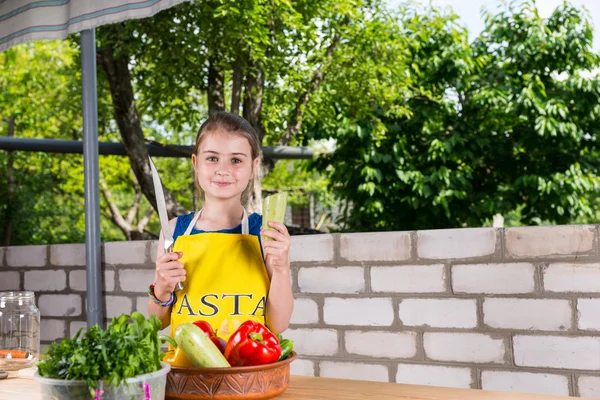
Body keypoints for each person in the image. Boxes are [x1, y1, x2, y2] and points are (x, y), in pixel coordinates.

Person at [147, 112, 293, 340]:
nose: (223, 169)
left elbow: (279, 323)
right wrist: (163, 287)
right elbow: (156, 322)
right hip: (187, 372)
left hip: (247, 369)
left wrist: (282, 267)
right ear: (195, 163)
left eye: (236, 160)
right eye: (212, 158)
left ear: (253, 167)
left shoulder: (264, 231)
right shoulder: (174, 230)